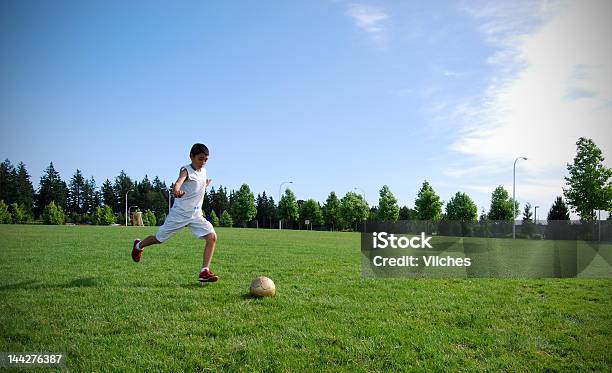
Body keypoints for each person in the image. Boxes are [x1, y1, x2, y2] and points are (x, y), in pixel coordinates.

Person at [131, 143, 219, 282]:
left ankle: (204, 272)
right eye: (200, 159)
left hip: (196, 215)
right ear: (191, 156)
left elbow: (196, 187)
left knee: (212, 237)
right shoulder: (186, 170)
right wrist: (176, 191)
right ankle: (138, 246)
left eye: (206, 159)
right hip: (179, 214)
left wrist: (204, 185)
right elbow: (179, 182)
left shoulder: (203, 171)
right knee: (159, 239)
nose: (203, 162)